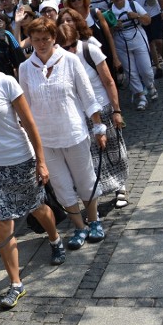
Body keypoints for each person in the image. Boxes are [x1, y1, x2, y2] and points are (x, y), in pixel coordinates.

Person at [0, 37, 65, 312]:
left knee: (38, 209)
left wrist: (41, 162)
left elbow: (30, 125)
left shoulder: (6, 82)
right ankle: (16, 283)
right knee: (3, 222)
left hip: (20, 159)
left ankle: (54, 239)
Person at [18, 19, 108, 250]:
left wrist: (98, 127)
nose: (40, 44)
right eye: (36, 39)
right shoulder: (25, 68)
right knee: (61, 186)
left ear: (54, 38)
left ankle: (94, 220)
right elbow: (24, 107)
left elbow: (87, 96)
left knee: (85, 179)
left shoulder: (70, 60)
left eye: (45, 39)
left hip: (74, 132)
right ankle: (79, 226)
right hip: (45, 140)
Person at [55, 23, 130, 208]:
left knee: (113, 148)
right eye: (65, 47)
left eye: (72, 45)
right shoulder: (58, 58)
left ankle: (121, 186)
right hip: (78, 114)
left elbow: (108, 81)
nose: (70, 50)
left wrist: (116, 110)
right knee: (91, 156)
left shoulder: (90, 50)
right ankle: (96, 192)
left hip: (101, 106)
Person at [109, 0, 157, 111]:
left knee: (146, 69)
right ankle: (141, 97)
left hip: (138, 38)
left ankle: (150, 85)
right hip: (121, 43)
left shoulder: (133, 5)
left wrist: (137, 16)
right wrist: (114, 26)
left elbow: (148, 20)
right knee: (131, 72)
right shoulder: (110, 12)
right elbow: (108, 32)